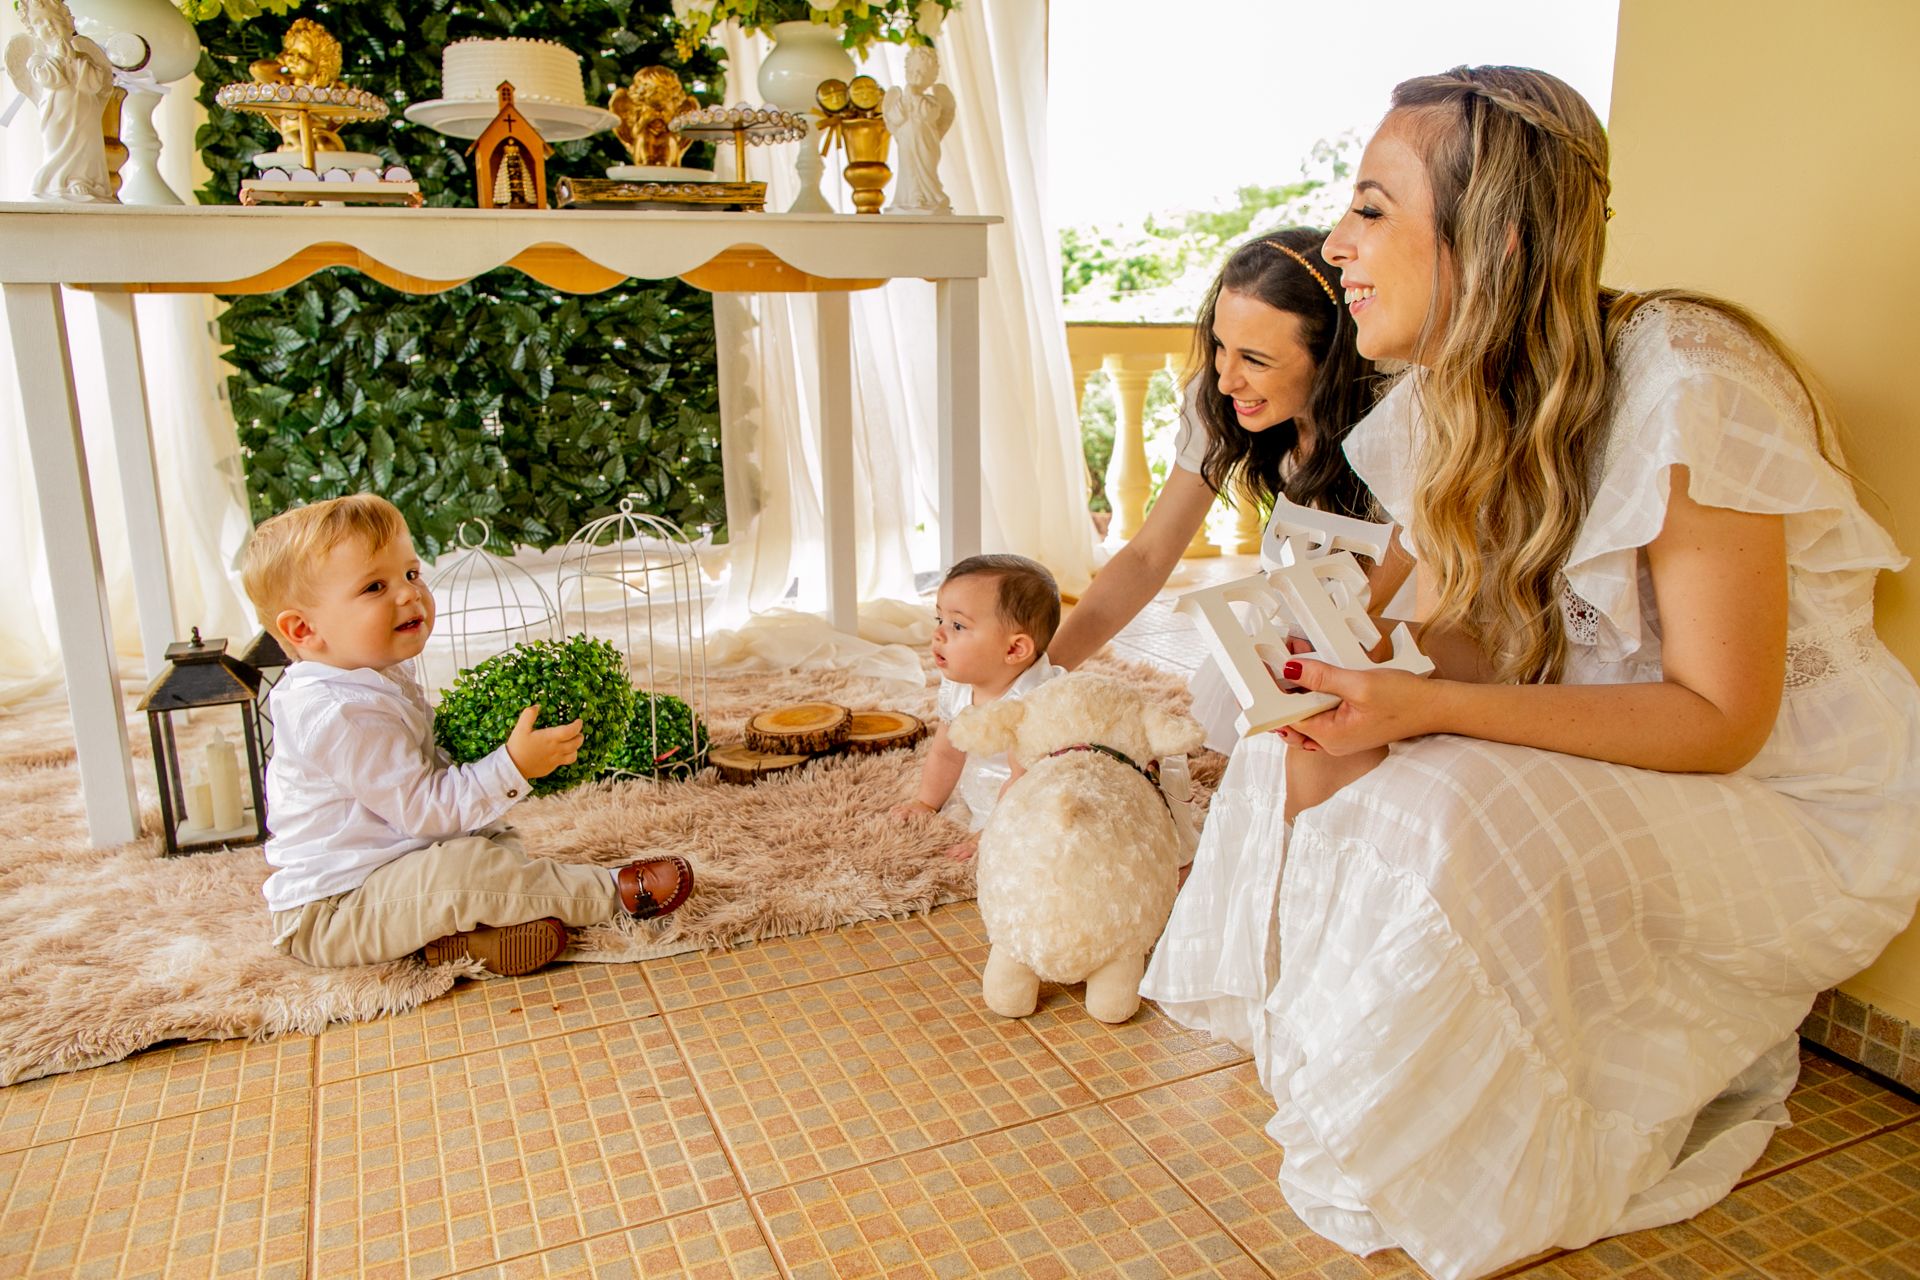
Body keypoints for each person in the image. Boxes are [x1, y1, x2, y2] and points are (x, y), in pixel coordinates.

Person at [1140, 65, 1920, 1280]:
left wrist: (1429, 701)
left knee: (1442, 800)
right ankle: (1368, 1067)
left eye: (1372, 206)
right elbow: (1491, 643)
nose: (1338, 241)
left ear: (1494, 233)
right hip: (1637, 749)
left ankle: (1485, 1128)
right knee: (1314, 750)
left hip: (1784, 798)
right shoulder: (1463, 389)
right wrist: (1357, 674)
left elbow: (1723, 719)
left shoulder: (1688, 376)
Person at [243, 495, 694, 977]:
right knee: (468, 870)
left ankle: (462, 939)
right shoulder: (338, 713)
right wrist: (513, 765)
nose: (408, 594)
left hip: (393, 873)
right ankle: (607, 892)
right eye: (375, 586)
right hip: (336, 912)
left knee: (492, 837)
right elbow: (427, 811)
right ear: (305, 629)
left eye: (411, 574)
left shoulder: (369, 675)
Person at [1047, 227, 1410, 751]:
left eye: (1256, 360)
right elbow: (1149, 556)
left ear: (1332, 357)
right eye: (1221, 346)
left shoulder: (1398, 423)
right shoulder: (1219, 404)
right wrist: (1041, 674)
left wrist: (1319, 668)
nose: (1226, 380)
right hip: (1309, 626)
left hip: (1401, 617)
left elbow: (1401, 580)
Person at [893, 554, 1063, 854]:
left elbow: (1024, 785)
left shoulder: (1035, 703)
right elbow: (946, 754)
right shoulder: (957, 686)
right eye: (939, 619)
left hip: (1031, 797)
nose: (938, 633)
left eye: (958, 625)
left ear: (1014, 648)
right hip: (984, 788)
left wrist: (989, 836)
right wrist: (926, 802)